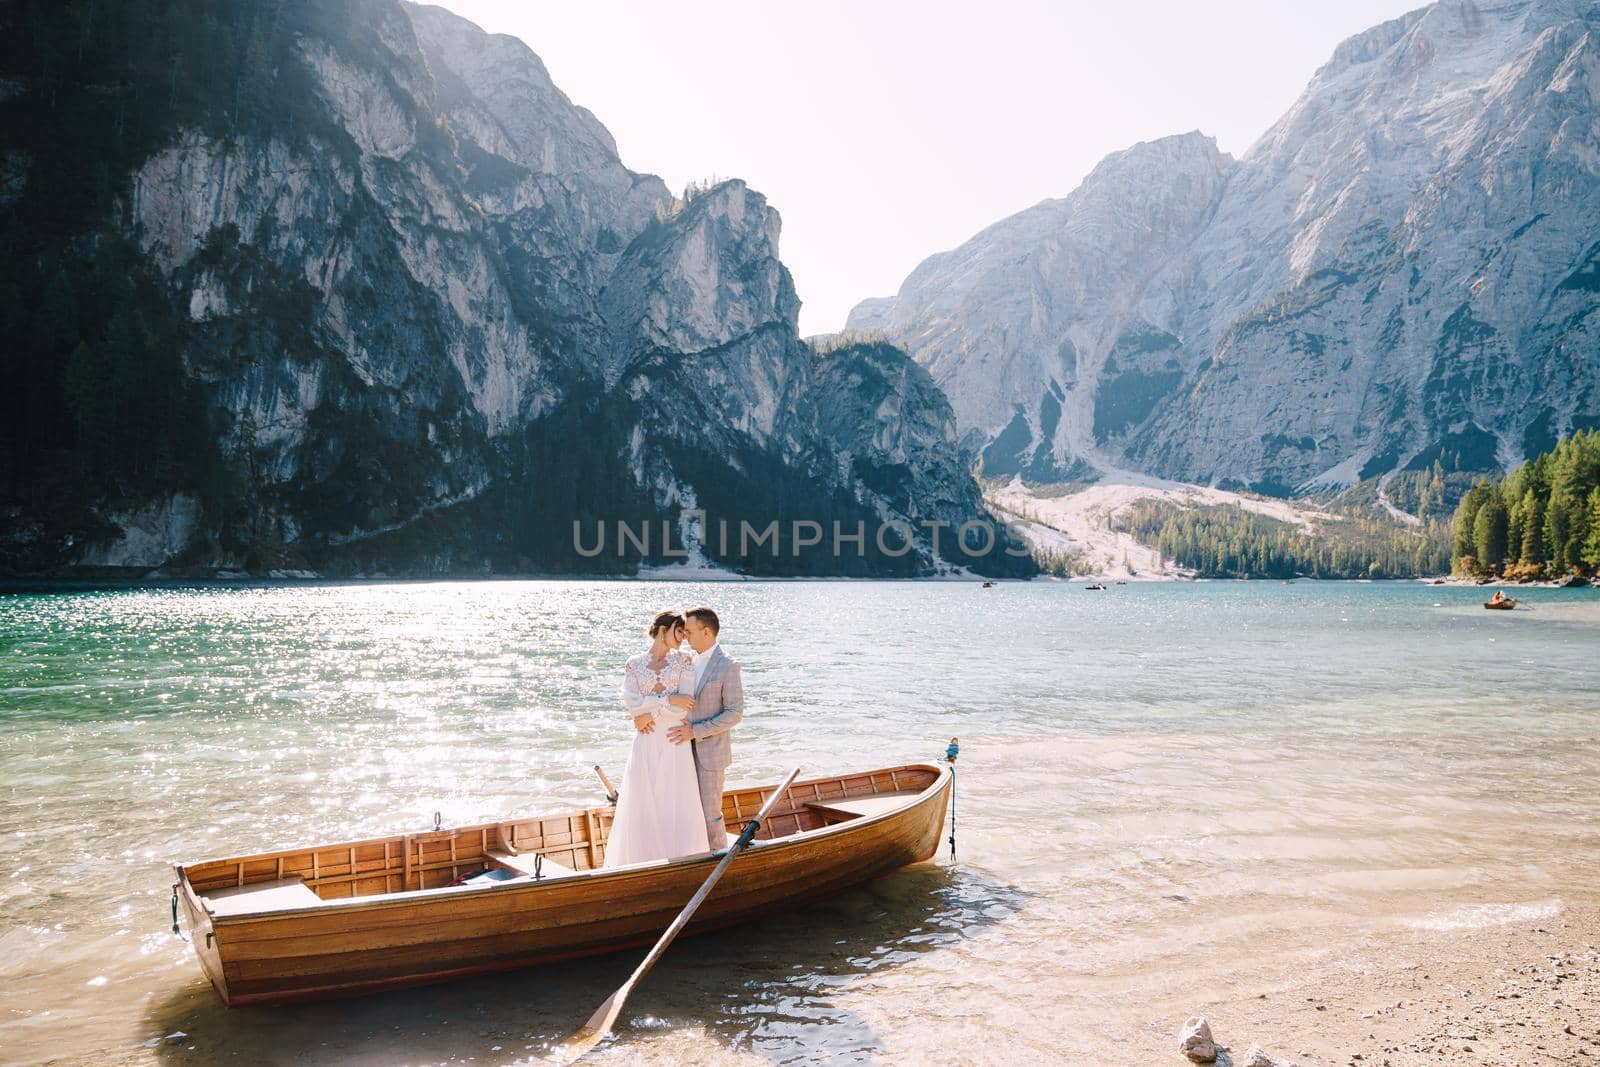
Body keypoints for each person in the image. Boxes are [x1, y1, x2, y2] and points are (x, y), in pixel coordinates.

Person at [602, 611, 710, 867]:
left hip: (674, 740)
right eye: (679, 631)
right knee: (643, 799)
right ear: (663, 630)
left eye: (686, 632)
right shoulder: (634, 664)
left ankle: (683, 862)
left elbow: (683, 708)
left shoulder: (684, 661)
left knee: (673, 799)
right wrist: (667, 700)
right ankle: (642, 863)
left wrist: (649, 711)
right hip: (646, 741)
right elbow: (632, 704)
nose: (684, 637)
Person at [668, 606, 744, 849]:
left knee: (710, 812)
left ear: (707, 632)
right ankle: (691, 855)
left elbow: (734, 713)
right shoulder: (685, 662)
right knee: (684, 808)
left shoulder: (728, 666)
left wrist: (696, 730)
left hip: (710, 752)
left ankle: (718, 857)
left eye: (689, 631)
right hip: (679, 749)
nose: (685, 636)